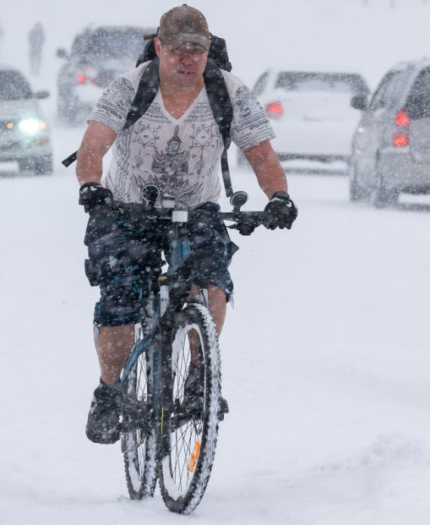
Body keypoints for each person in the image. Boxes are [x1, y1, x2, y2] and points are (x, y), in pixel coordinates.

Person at [75, 4, 297, 445]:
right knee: (120, 295)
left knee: (212, 278)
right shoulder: (130, 88)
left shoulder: (228, 91)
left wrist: (280, 198)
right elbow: (93, 147)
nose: (187, 59)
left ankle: (200, 375)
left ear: (208, 49)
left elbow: (262, 156)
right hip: (127, 209)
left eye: (196, 50)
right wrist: (91, 187)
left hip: (196, 209)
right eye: (177, 49)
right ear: (159, 47)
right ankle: (110, 390)